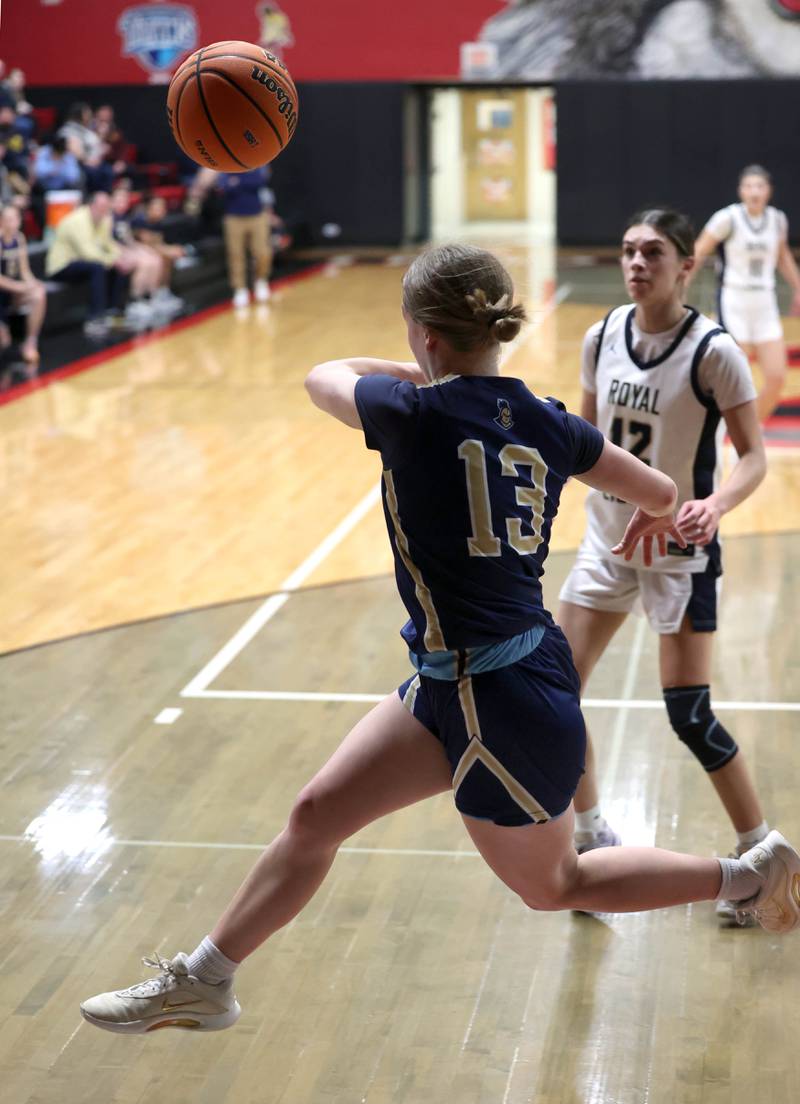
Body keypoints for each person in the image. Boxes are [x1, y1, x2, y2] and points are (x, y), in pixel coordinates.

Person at [79, 242, 800, 1036]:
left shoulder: (411, 412)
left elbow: (324, 373)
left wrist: (427, 369)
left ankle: (745, 875)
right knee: (317, 812)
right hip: (455, 679)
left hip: (503, 695)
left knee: (555, 883)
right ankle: (206, 979)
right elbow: (664, 489)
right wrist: (648, 515)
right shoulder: (551, 422)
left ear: (424, 332)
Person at [557, 208, 770, 926]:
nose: (636, 262)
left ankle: (763, 856)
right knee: (557, 691)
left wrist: (710, 505)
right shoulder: (601, 336)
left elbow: (755, 456)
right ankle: (592, 837)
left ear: (687, 265)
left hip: (681, 553)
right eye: (627, 251)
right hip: (611, 543)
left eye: (653, 251)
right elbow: (585, 443)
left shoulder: (713, 350)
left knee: (689, 713)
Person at [690, 165, 800, 422]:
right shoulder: (727, 218)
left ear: (769, 191)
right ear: (741, 190)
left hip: (765, 302)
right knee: (732, 375)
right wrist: (679, 285)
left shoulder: (777, 219)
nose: (754, 191)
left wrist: (798, 286)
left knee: (776, 376)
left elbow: (782, 256)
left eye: (760, 186)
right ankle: (712, 425)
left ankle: (752, 429)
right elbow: (698, 251)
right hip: (734, 300)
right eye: (749, 186)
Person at [45, 190, 131, 338]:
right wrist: (113, 260)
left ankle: (113, 311)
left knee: (115, 266)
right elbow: (87, 252)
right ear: (91, 205)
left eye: (107, 207)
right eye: (101, 206)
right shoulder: (77, 220)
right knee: (98, 268)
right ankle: (94, 319)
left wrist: (119, 257)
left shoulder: (105, 218)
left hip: (82, 263)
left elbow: (108, 243)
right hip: (61, 266)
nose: (105, 210)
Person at [111, 185, 183, 322]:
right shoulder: (112, 217)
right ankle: (135, 301)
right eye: (119, 199)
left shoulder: (124, 217)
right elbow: (109, 242)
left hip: (128, 248)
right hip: (116, 252)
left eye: (125, 199)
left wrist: (139, 249)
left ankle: (152, 297)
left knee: (155, 259)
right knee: (146, 261)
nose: (123, 202)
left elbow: (129, 240)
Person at [217, 167, 273, 307]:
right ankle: (240, 289)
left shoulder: (255, 164)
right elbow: (223, 187)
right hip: (233, 217)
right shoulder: (225, 167)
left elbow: (260, 181)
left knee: (263, 252)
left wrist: (237, 182)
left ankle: (261, 280)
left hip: (257, 215)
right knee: (236, 255)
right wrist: (239, 183)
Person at [0, 202, 46, 363]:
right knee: (4, 342)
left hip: (13, 292)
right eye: (9, 219)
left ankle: (30, 342)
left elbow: (24, 270)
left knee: (38, 294)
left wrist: (32, 283)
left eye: (16, 218)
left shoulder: (19, 238)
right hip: (3, 292)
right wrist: (19, 286)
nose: (13, 222)